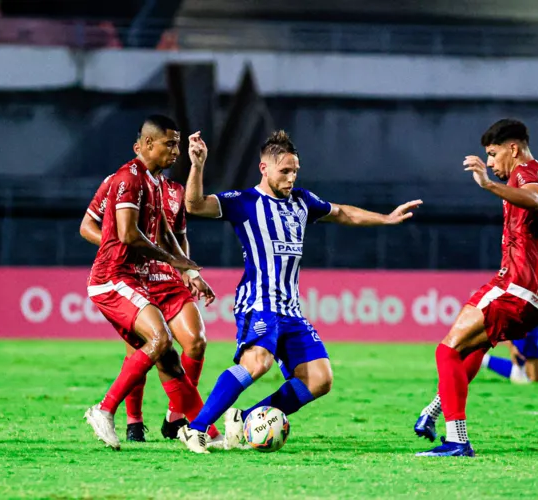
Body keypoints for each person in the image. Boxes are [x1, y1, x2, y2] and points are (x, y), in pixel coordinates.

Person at [175, 129, 423, 453]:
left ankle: (245, 419)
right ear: (264, 168)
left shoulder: (302, 201)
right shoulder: (244, 202)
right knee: (258, 362)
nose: (291, 178)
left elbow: (343, 212)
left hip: (291, 309)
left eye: (295, 171)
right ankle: (195, 429)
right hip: (258, 302)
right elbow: (194, 204)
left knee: (320, 379)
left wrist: (386, 219)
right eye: (284, 171)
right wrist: (197, 165)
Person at [415, 119, 538, 458]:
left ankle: (457, 440)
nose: (490, 163)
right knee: (472, 349)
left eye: (492, 155)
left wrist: (488, 185)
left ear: (513, 149)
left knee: (446, 350)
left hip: (515, 286)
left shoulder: (527, 175)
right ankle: (434, 411)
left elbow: (533, 200)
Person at [82, 115, 212, 451]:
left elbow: (168, 233)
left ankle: (201, 431)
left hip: (134, 279)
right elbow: (127, 235)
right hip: (112, 277)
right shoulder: (127, 178)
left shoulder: (155, 183)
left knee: (169, 358)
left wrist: (188, 267)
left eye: (178, 144)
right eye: (170, 144)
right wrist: (170, 260)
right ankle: (106, 410)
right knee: (159, 338)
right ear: (148, 144)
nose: (176, 151)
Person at [413, 261, 538, 441]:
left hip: (531, 328)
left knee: (531, 376)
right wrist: (512, 344)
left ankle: (433, 415)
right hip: (519, 322)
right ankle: (452, 433)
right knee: (451, 351)